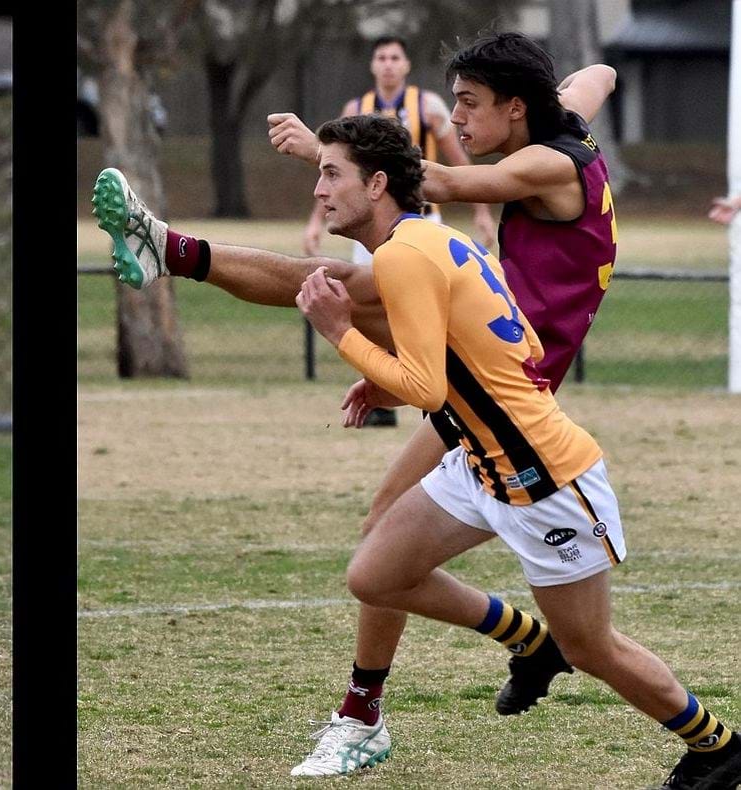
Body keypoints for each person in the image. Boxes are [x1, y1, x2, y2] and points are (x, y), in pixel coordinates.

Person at [94, 32, 624, 779]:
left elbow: (433, 180)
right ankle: (170, 251)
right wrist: (581, 79)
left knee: (329, 310)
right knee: (326, 295)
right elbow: (596, 73)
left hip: (501, 390)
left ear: (516, 108)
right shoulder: (559, 126)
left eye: (471, 105)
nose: (460, 118)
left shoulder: (541, 164)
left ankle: (373, 709)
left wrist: (325, 152)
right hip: (478, 352)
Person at [292, 112, 740, 790]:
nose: (320, 190)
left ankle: (716, 745)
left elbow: (424, 380)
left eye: (332, 174)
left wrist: (340, 332)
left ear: (377, 183)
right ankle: (531, 642)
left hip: (547, 481)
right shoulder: (426, 242)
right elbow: (508, 346)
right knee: (375, 573)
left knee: (593, 648)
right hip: (482, 466)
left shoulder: (408, 254)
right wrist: (393, 385)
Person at [278, 35, 496, 427]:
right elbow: (338, 176)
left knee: (413, 308)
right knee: (372, 305)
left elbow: (458, 167)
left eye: (396, 56)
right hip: (371, 223)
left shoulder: (427, 106)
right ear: (373, 66)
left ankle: (420, 381)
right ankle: (387, 388)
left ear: (407, 64)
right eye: (382, 57)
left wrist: (482, 213)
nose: (389, 64)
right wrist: (317, 221)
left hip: (420, 220)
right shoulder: (355, 109)